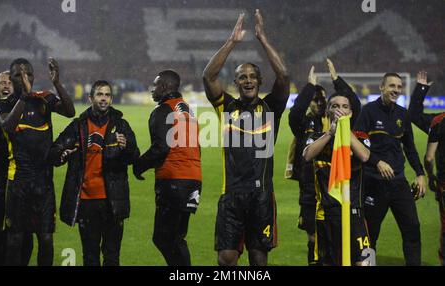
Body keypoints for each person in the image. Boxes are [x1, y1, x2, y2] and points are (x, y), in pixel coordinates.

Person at [202, 10, 289, 266]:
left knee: (258, 260)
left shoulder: (272, 108)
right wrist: (232, 42)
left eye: (252, 76)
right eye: (242, 77)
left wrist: (262, 39)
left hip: (261, 196)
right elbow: (208, 76)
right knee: (226, 258)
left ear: (260, 82)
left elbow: (283, 77)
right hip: (231, 195)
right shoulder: (226, 107)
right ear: (236, 83)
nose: (248, 80)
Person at [0, 58, 75, 266]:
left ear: (34, 76)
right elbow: (8, 126)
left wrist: (57, 83)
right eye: (18, 75)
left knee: (46, 239)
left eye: (28, 74)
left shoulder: (45, 99)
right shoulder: (3, 105)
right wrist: (24, 95)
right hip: (18, 182)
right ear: (11, 79)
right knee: (15, 239)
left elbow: (70, 111)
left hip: (44, 183)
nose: (24, 77)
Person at [50, 80, 139, 266]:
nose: (104, 99)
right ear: (91, 98)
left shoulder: (121, 126)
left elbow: (134, 157)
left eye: (107, 95)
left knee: (112, 256)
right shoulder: (77, 126)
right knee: (90, 257)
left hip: (112, 202)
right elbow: (54, 153)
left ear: (112, 99)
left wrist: (126, 147)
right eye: (100, 94)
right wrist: (63, 154)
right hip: (86, 202)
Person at [288, 59, 360, 265]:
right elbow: (294, 113)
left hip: (341, 188)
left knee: (342, 238)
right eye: (314, 100)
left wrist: (336, 80)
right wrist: (309, 86)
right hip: (312, 190)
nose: (319, 103)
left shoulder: (341, 120)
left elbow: (355, 104)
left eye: (322, 100)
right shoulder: (304, 125)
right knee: (314, 238)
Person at [354, 73, 426, 266]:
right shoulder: (367, 112)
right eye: (392, 86)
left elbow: (410, 148)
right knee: (369, 235)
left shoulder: (403, 114)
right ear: (382, 87)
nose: (396, 90)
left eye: (399, 87)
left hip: (398, 183)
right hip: (373, 182)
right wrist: (377, 162)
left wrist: (420, 174)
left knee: (412, 228)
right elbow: (358, 144)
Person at [133, 70, 202, 266]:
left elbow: (161, 147)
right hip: (193, 179)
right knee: (176, 237)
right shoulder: (187, 110)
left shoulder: (163, 110)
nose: (152, 89)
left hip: (173, 181)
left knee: (163, 238)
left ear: (164, 87)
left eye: (155, 85)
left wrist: (139, 166)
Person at [303, 92, 371, 266]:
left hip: (353, 211)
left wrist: (345, 131)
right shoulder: (317, 137)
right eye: (335, 106)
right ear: (327, 111)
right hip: (326, 214)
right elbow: (307, 155)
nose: (340, 110)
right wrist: (330, 133)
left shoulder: (360, 138)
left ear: (351, 112)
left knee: (364, 263)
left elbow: (364, 156)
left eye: (345, 106)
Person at [408, 71, 444, 265]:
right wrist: (421, 90)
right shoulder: (439, 120)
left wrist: (431, 176)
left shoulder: (439, 121)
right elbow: (414, 115)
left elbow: (429, 158)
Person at [0, 71, 13, 265]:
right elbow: (6, 124)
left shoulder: (21, 107)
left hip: (19, 175)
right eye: (2, 83)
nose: (6, 85)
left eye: (9, 82)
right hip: (0, 174)